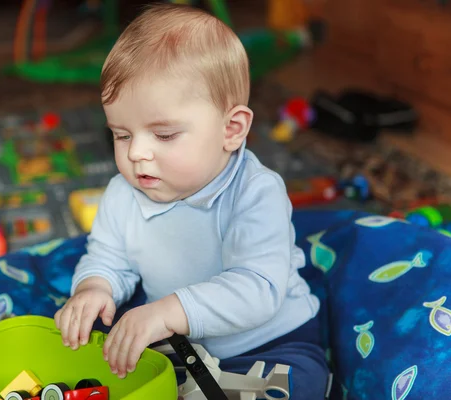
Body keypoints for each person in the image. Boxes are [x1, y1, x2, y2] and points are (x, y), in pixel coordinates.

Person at [55, 3, 329, 398]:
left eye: (163, 135)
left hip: (269, 344)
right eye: (122, 134)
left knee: (295, 386)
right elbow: (108, 257)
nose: (136, 154)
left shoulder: (255, 192)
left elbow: (256, 289)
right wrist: (94, 288)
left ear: (231, 130)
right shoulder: (121, 193)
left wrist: (167, 312)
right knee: (102, 362)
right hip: (177, 348)